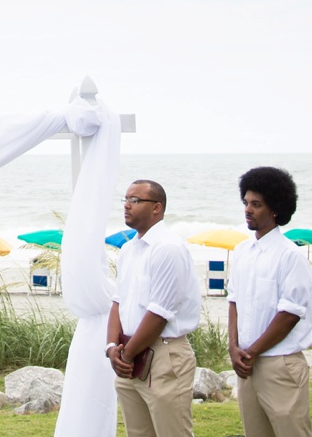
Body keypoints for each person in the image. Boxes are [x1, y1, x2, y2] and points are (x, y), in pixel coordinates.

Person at [105, 179, 201, 437]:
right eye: (125, 199)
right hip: (129, 356)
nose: (126, 205)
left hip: (163, 356)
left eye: (135, 200)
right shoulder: (128, 250)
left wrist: (126, 355)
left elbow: (159, 314)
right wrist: (111, 347)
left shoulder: (168, 248)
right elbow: (117, 302)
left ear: (157, 208)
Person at [228, 167, 312, 437]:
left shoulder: (290, 255)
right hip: (246, 363)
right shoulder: (241, 251)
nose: (248, 210)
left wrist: (252, 352)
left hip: (280, 364)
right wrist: (233, 347)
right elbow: (233, 302)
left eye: (256, 204)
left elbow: (290, 314)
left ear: (275, 209)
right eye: (246, 203)